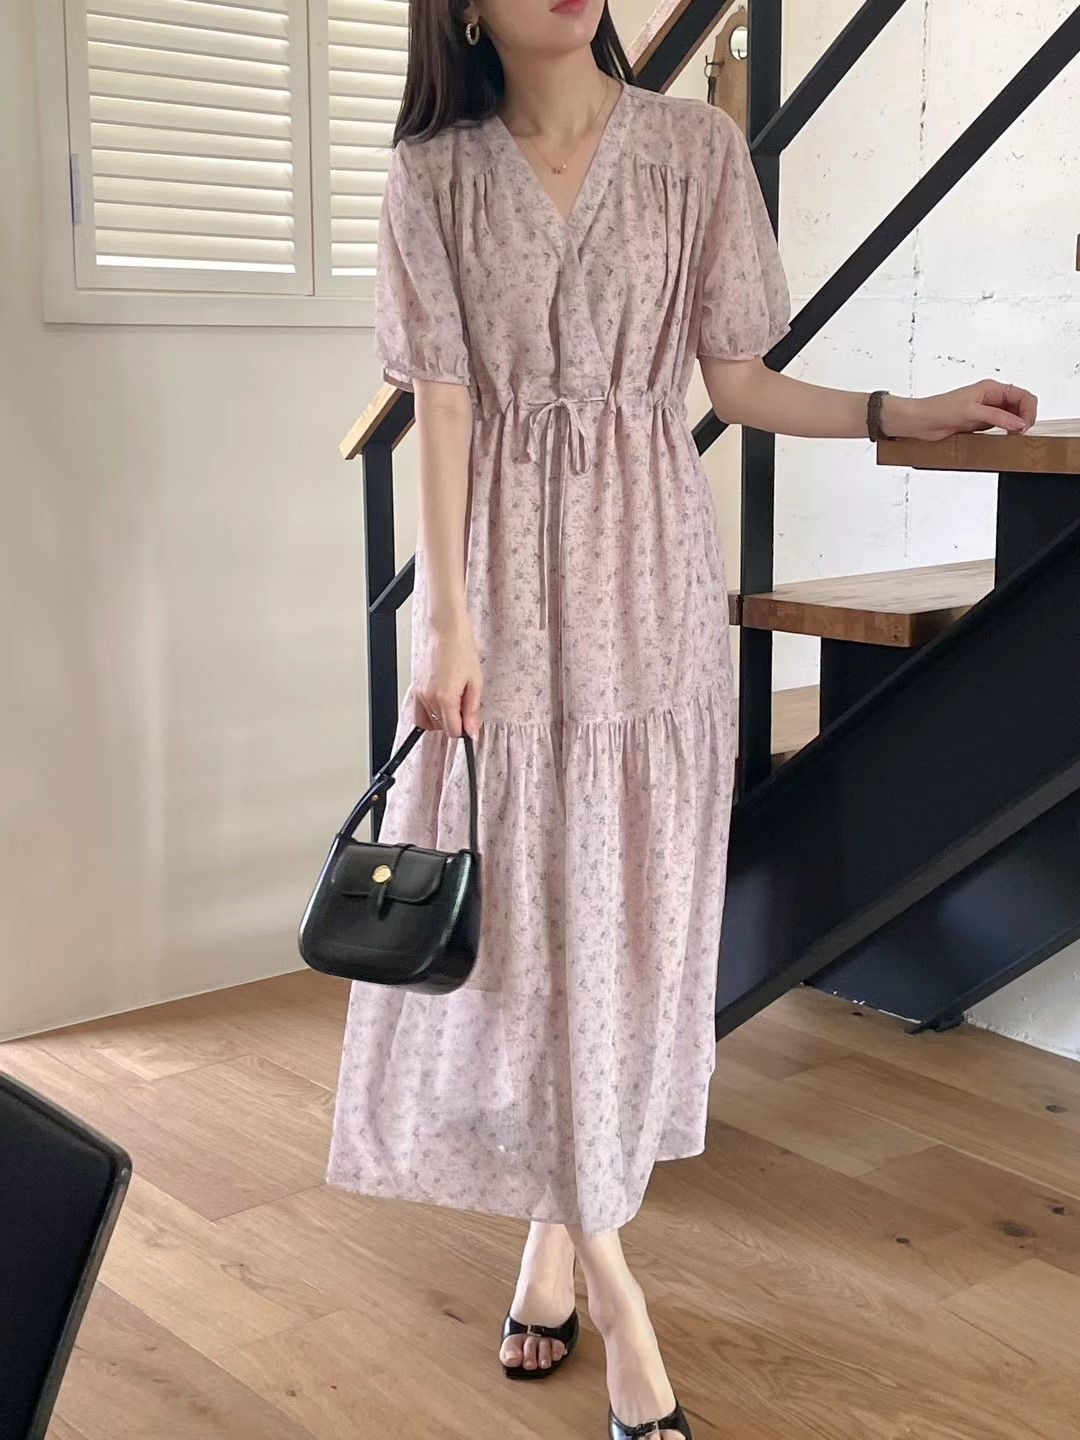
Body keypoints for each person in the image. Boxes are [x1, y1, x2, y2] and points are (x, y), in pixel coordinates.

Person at [326, 3, 1038, 1436]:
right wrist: (449, 620)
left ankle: (553, 1243)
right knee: (526, 930)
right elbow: (444, 411)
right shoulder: (433, 175)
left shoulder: (695, 150)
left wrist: (904, 409)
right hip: (500, 594)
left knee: (619, 925)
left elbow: (737, 383)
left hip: (647, 580)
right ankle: (619, 1297)